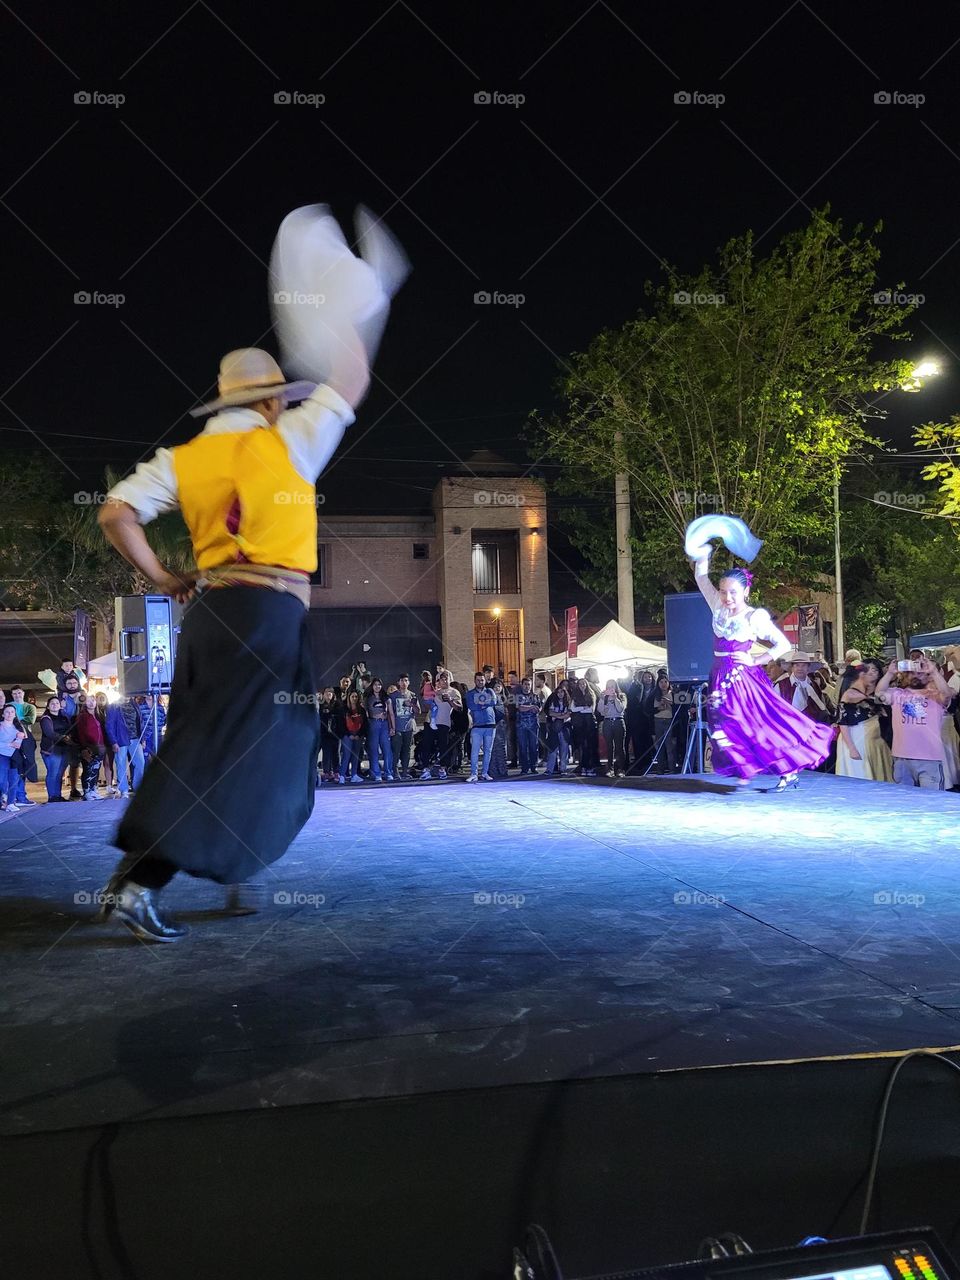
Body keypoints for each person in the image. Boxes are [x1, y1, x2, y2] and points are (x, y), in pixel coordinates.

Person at [693, 546, 832, 789]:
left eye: (733, 593)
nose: (728, 598)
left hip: (741, 676)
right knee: (720, 722)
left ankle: (784, 768)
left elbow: (782, 644)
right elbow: (701, 578)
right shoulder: (717, 604)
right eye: (724, 592)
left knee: (749, 722)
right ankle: (745, 767)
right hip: (718, 673)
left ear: (746, 591)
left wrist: (755, 660)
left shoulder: (753, 617)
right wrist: (703, 555)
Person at [876, 657, 953, 789]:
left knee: (931, 801)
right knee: (904, 801)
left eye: (921, 672)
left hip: (929, 758)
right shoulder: (897, 694)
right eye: (912, 672)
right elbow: (879, 693)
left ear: (928, 677)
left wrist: (933, 671)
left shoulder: (936, 695)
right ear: (906, 676)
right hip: (901, 758)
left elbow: (946, 694)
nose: (916, 675)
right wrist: (889, 673)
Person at [835, 658, 894, 782]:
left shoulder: (874, 693)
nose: (872, 674)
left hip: (873, 740)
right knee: (860, 773)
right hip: (856, 739)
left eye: (875, 670)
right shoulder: (850, 694)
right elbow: (843, 722)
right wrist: (852, 748)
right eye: (868, 671)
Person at [421, 673, 461, 780]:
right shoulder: (435, 691)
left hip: (444, 722)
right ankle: (425, 768)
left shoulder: (454, 692)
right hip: (430, 722)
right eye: (441, 679)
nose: (444, 681)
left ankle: (442, 768)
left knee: (443, 746)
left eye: (446, 679)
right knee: (426, 745)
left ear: (449, 680)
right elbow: (425, 704)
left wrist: (449, 700)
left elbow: (459, 708)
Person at [465, 672, 498, 782]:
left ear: (485, 680)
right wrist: (484, 703)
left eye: (482, 680)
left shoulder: (490, 691)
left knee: (488, 751)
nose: (480, 682)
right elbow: (471, 705)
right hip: (477, 726)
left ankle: (484, 773)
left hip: (490, 724)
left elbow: (494, 701)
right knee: (474, 751)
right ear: (475, 681)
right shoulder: (470, 693)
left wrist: (480, 702)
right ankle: (474, 773)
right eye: (478, 680)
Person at [38, 695, 72, 802]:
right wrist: (64, 738)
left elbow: (70, 729)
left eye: (57, 703)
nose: (55, 705)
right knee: (53, 772)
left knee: (60, 773)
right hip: (51, 750)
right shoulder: (45, 718)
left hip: (64, 749)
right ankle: (52, 796)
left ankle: (58, 795)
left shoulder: (64, 717)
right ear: (48, 706)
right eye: (52, 703)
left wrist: (70, 737)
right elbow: (49, 733)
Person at [103, 693, 137, 798]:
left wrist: (143, 738)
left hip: (135, 738)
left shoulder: (135, 704)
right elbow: (109, 725)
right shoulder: (114, 706)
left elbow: (140, 721)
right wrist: (113, 741)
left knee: (140, 762)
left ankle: (137, 787)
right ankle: (124, 790)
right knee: (121, 763)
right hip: (120, 739)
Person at [388, 674, 420, 779]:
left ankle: (405, 771)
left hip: (409, 727)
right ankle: (395, 771)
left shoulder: (413, 695)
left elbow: (418, 711)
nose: (404, 683)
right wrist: (391, 727)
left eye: (406, 680)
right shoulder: (393, 696)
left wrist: (412, 705)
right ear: (398, 682)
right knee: (396, 750)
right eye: (402, 680)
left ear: (409, 682)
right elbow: (389, 713)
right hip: (397, 727)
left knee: (407, 750)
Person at [75, 693, 106, 800]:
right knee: (88, 769)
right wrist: (84, 747)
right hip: (88, 747)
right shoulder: (82, 716)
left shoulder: (99, 714)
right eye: (88, 701)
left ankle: (93, 789)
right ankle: (87, 791)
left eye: (93, 700)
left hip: (100, 746)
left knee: (96, 769)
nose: (91, 703)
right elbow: (81, 733)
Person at [364, 676, 395, 782]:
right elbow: (365, 713)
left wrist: (392, 727)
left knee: (387, 749)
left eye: (379, 685)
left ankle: (388, 772)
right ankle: (376, 773)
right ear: (372, 686)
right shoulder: (368, 698)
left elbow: (391, 713)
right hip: (373, 724)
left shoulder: (386, 698)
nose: (377, 686)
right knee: (374, 750)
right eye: (375, 684)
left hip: (384, 725)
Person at [569, 676, 599, 775]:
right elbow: (572, 708)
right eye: (580, 684)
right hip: (579, 724)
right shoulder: (575, 695)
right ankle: (582, 766)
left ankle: (589, 767)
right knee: (582, 746)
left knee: (590, 745)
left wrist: (580, 709)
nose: (582, 685)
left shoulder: (591, 694)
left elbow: (592, 709)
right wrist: (583, 707)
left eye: (584, 683)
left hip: (589, 723)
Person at [597, 679, 627, 777]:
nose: (611, 689)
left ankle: (621, 769)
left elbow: (621, 709)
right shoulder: (604, 697)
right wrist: (602, 699)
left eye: (612, 686)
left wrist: (615, 699)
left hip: (618, 721)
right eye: (608, 687)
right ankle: (610, 769)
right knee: (609, 747)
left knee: (619, 747)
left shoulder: (622, 696)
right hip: (607, 722)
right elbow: (600, 711)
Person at [0, 705, 26, 813]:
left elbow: (19, 744)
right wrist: (9, 744)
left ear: (15, 714)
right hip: (2, 755)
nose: (10, 714)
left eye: (12, 712)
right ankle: (3, 798)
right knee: (2, 779)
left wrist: (17, 741)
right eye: (7, 712)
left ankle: (11, 803)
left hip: (14, 756)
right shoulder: (0, 726)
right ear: (3, 714)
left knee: (14, 779)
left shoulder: (19, 727)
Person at [543, 680, 573, 775]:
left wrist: (558, 716)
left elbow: (568, 715)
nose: (560, 694)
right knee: (552, 749)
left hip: (565, 728)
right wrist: (561, 715)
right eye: (558, 692)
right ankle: (550, 769)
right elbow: (550, 712)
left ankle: (563, 769)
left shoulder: (569, 702)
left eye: (562, 692)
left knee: (564, 749)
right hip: (554, 728)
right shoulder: (553, 702)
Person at [514, 676, 541, 775]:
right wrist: (532, 707)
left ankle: (534, 766)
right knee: (522, 746)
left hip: (533, 725)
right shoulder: (518, 696)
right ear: (522, 685)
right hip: (521, 726)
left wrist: (529, 707)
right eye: (525, 684)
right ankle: (524, 768)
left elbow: (538, 709)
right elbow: (520, 708)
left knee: (534, 746)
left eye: (528, 684)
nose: (527, 686)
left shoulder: (536, 696)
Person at [652, 675, 677, 774]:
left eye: (665, 682)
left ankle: (672, 769)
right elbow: (648, 709)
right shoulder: (654, 694)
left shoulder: (674, 694)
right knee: (660, 746)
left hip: (669, 721)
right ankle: (660, 769)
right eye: (661, 682)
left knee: (669, 746)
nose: (663, 684)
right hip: (658, 721)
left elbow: (678, 708)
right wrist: (658, 708)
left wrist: (670, 703)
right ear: (658, 683)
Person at [318, 687, 341, 783]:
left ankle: (336, 772)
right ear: (323, 694)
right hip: (324, 733)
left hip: (336, 733)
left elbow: (340, 718)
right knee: (326, 753)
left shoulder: (337, 705)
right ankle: (327, 772)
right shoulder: (320, 706)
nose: (329, 694)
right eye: (327, 692)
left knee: (336, 753)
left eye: (331, 692)